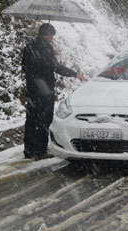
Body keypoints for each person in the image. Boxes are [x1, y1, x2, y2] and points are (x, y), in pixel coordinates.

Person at [21, 23, 87, 160]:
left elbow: (24, 68)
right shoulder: (46, 48)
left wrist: (34, 78)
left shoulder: (28, 47)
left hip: (32, 89)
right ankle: (40, 151)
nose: (52, 39)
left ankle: (28, 150)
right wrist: (75, 74)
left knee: (31, 119)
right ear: (46, 35)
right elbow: (56, 67)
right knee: (44, 120)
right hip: (44, 91)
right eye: (51, 36)